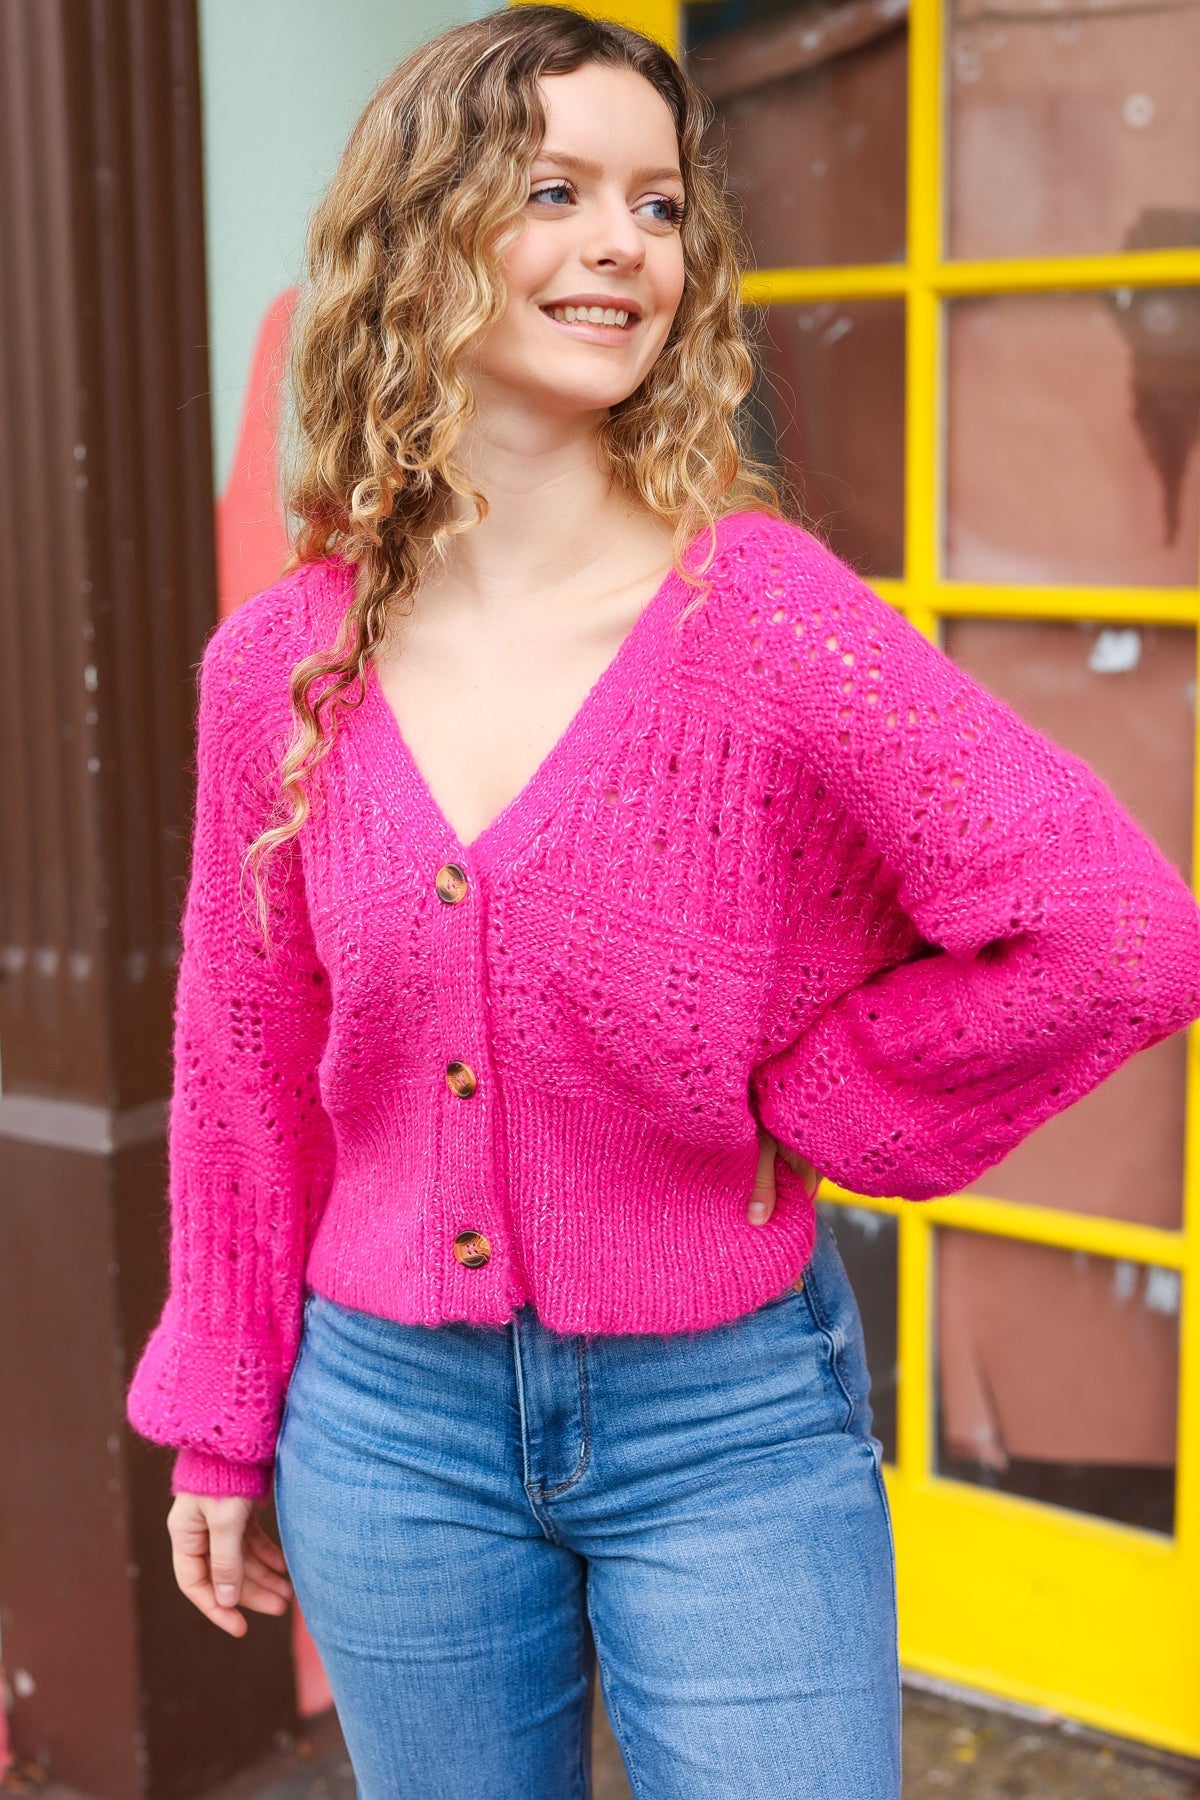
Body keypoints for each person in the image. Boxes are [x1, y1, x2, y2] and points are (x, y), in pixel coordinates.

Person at [124, 8, 1200, 1797]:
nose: (628, 242)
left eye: (660, 203)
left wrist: (820, 1097)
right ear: (423, 232)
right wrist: (220, 1426)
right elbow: (242, 1061)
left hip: (726, 1418)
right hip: (388, 1427)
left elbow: (1118, 931)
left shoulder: (768, 622)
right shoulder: (280, 673)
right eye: (555, 191)